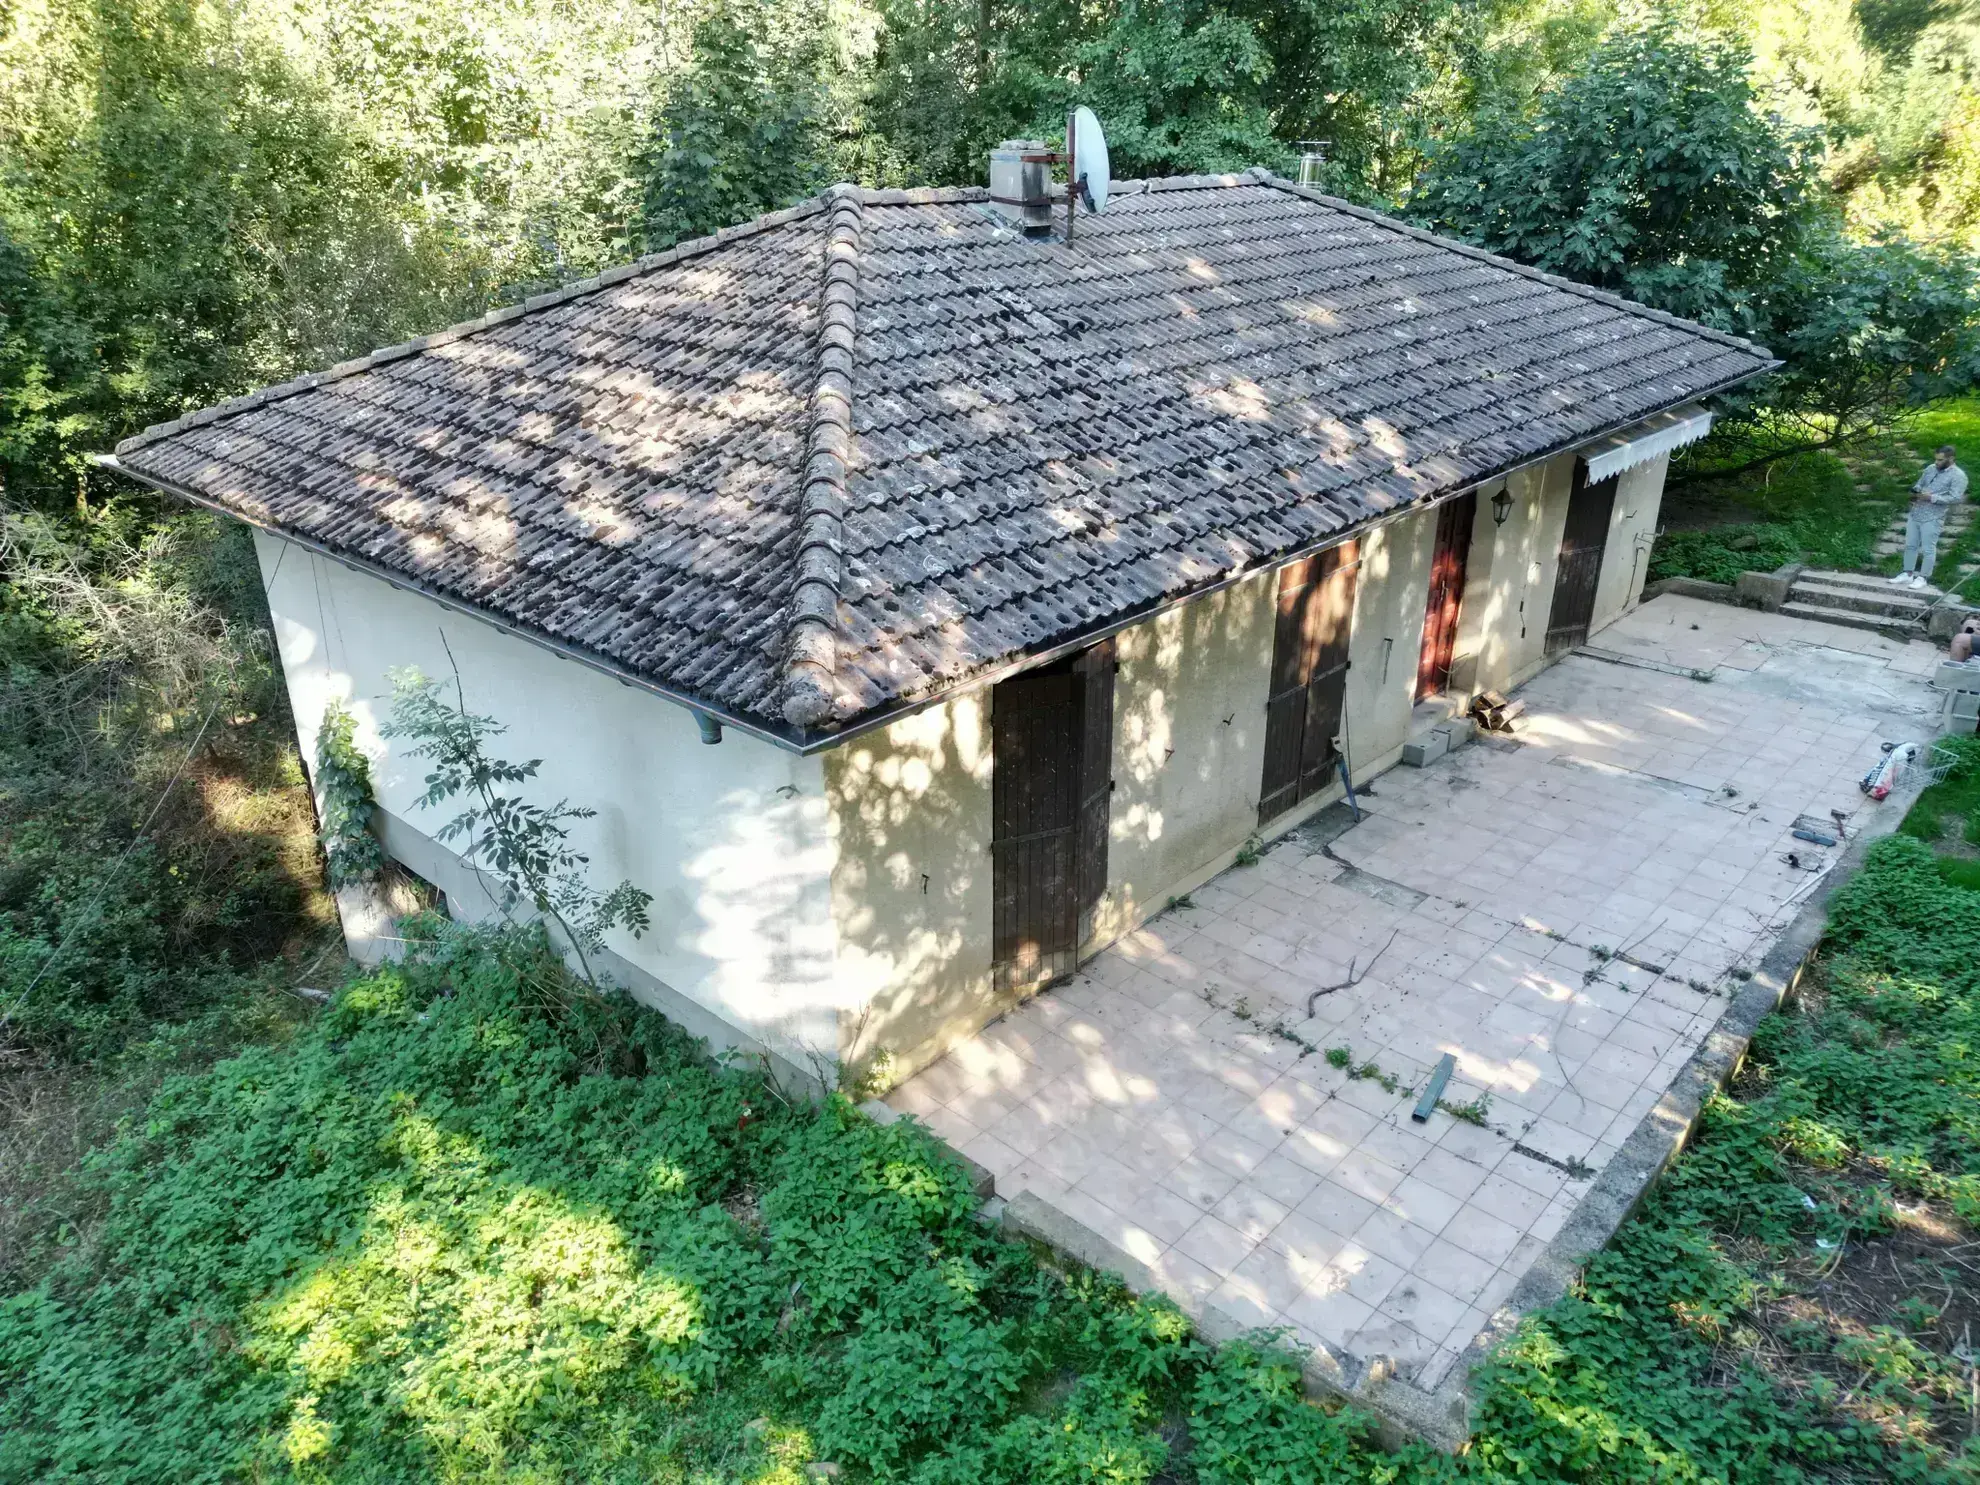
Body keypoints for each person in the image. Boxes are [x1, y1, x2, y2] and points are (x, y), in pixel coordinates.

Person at [1894, 444, 1967, 588]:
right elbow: (1919, 484)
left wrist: (1932, 498)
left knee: (1928, 548)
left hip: (1934, 516)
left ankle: (1923, 577)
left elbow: (1955, 498)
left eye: (1940, 460)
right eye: (1936, 459)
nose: (1937, 462)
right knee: (1910, 545)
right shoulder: (1930, 469)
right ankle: (1907, 574)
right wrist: (1916, 492)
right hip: (1916, 511)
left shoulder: (1959, 476)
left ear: (1950, 459)